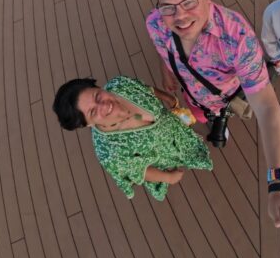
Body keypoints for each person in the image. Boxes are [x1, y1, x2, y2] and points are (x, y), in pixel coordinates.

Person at [145, 0, 280, 227]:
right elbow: (164, 47)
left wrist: (279, 185)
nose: (179, 16)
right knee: (200, 115)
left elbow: (265, 106)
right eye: (168, 6)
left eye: (189, 2)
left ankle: (220, 120)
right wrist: (166, 72)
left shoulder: (238, 39)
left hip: (222, 96)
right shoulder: (156, 22)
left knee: (216, 115)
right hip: (190, 94)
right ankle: (212, 120)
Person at [52, 76, 213, 201]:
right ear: (87, 124)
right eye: (93, 112)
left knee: (190, 125)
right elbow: (139, 171)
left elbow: (147, 89)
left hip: (174, 122)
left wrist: (170, 99)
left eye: (97, 96)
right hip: (167, 152)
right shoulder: (110, 153)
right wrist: (169, 178)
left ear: (99, 87)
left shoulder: (120, 85)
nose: (105, 105)